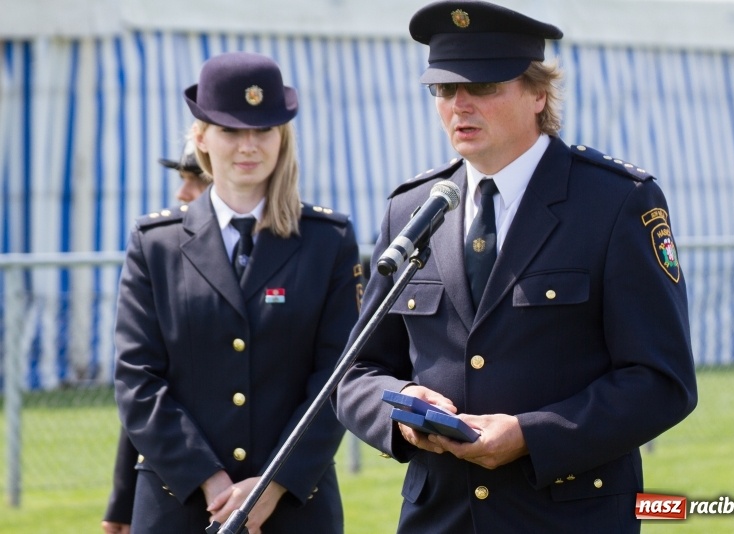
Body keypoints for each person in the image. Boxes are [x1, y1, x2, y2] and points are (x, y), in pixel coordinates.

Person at [334, 1, 698, 532]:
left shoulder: (615, 202)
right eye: (442, 89)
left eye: (482, 87)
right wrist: (403, 407)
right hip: (441, 516)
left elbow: (661, 381)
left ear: (538, 93)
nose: (459, 105)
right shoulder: (411, 209)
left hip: (567, 515)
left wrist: (533, 433)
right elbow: (357, 373)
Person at [114, 51, 361, 533]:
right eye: (230, 130)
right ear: (201, 137)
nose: (248, 146)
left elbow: (338, 377)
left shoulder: (326, 241)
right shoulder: (156, 244)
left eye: (263, 130)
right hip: (178, 504)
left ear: (282, 136)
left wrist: (272, 484)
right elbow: (136, 378)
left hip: (294, 506)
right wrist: (210, 481)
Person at [101, 141, 211, 534]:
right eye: (181, 180)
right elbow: (144, 391)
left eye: (193, 180)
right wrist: (122, 502)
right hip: (171, 490)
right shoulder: (163, 250)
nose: (182, 193)